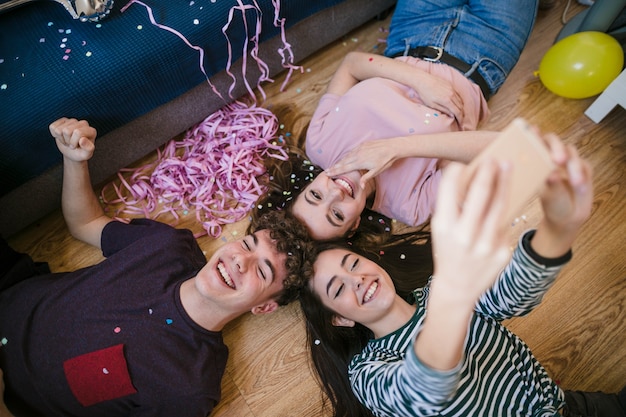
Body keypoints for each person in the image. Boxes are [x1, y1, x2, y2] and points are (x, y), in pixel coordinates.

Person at [0, 118, 313, 417]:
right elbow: (86, 223)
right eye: (247, 246)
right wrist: (74, 159)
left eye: (262, 271)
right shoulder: (169, 247)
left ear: (264, 307)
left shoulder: (188, 388)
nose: (240, 262)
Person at [299, 131, 626, 417]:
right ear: (339, 319)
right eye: (338, 289)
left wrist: (558, 229)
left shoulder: (433, 292)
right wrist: (454, 291)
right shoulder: (368, 371)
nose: (356, 279)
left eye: (353, 265)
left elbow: (510, 295)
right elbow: (421, 394)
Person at [252, 0, 539, 241]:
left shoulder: (320, 145)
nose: (335, 193)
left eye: (315, 195)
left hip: (415, 27)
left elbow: (352, 64)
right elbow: (501, 146)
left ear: (308, 184)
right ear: (353, 225)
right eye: (337, 215)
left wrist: (420, 81)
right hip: (486, 52)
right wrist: (397, 148)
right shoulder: (409, 206)